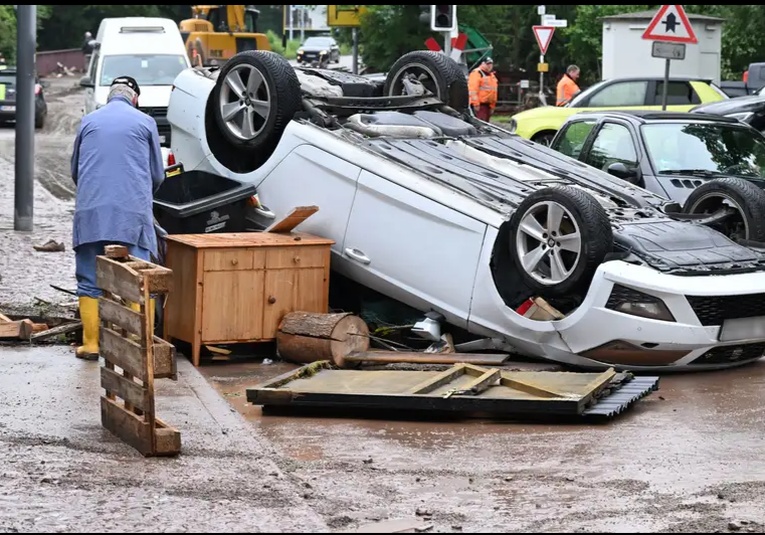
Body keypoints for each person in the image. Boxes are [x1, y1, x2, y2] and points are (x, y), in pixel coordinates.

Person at [70, 76, 165, 360]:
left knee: (88, 278)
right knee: (139, 279)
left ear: (109, 96)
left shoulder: (88, 121)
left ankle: (91, 345)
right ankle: (138, 345)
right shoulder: (145, 122)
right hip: (131, 214)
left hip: (91, 213)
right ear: (135, 98)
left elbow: (76, 170)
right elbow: (157, 174)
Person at [468, 56, 498, 122]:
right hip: (480, 106)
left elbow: (494, 92)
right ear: (482, 64)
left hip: (488, 106)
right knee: (480, 125)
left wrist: (492, 106)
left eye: (491, 64)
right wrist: (476, 104)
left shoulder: (492, 76)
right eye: (488, 64)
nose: (490, 66)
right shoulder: (476, 73)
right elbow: (473, 91)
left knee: (486, 125)